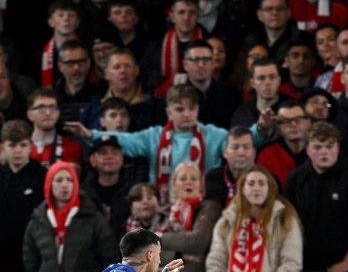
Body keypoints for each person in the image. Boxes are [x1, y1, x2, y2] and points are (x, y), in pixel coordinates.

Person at [65, 84, 229, 205]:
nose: (187, 114)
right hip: (162, 206)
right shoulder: (154, 136)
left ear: (198, 110)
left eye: (191, 109)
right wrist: (92, 134)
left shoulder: (215, 135)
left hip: (204, 205)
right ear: (169, 112)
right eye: (180, 109)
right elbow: (124, 139)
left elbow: (243, 142)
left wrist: (256, 130)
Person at [284, 121, 348, 272]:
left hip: (346, 271)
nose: (324, 152)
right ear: (307, 149)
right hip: (305, 268)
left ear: (338, 147)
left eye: (329, 146)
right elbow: (287, 221)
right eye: (317, 147)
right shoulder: (295, 179)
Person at [205, 165, 302, 272]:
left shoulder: (285, 219)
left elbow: (292, 263)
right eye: (251, 184)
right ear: (242, 189)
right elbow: (215, 263)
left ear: (270, 189)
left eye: (262, 183)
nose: (256, 188)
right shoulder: (226, 221)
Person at [23, 161, 120, 272]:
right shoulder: (38, 220)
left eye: (70, 180)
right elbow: (30, 258)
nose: (65, 184)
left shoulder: (93, 218)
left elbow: (109, 256)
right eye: (59, 180)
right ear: (49, 184)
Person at [157, 162, 223, 272]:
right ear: (174, 184)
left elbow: (197, 242)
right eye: (183, 179)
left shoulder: (209, 209)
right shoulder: (165, 213)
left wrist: (161, 238)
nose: (188, 182)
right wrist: (181, 247)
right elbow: (150, 250)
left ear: (201, 184)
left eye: (193, 179)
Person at [0, 120, 47, 272]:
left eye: (23, 145)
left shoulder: (43, 176)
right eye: (12, 145)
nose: (18, 150)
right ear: (3, 147)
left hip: (34, 257)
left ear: (31, 146)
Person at [27, 88, 83, 168]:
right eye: (41, 108)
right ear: (30, 115)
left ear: (58, 113)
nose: (48, 113)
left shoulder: (71, 147)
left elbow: (72, 178)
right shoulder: (19, 147)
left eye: (52, 108)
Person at [206, 126, 257, 207]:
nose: (241, 153)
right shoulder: (213, 178)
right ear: (225, 152)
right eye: (235, 147)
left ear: (254, 153)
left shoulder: (268, 179)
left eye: (246, 147)